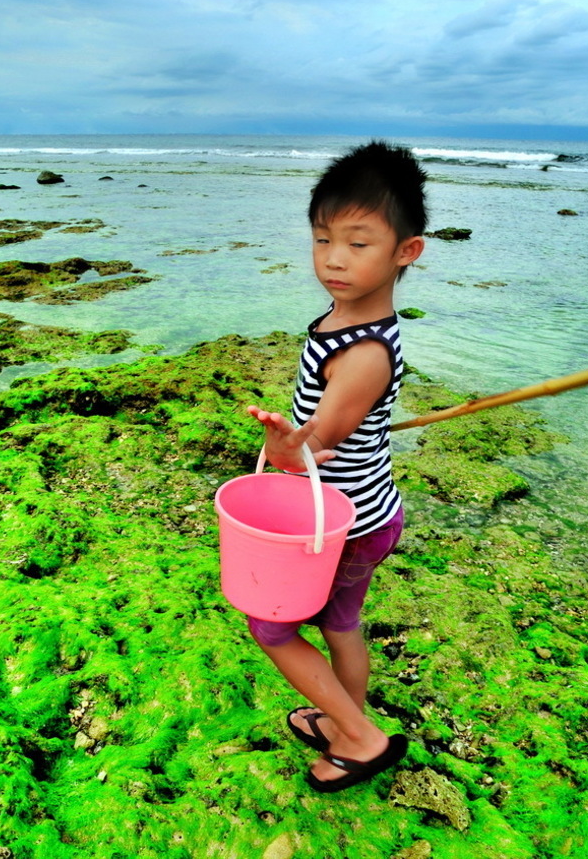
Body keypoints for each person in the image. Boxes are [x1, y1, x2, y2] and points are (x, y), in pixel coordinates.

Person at [244, 140, 426, 793]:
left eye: (358, 243)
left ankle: (361, 737)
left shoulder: (366, 354)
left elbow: (319, 443)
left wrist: (286, 445)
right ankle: (341, 718)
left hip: (342, 523)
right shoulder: (343, 319)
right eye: (323, 240)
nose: (334, 260)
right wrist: (303, 442)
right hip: (364, 509)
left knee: (270, 625)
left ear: (407, 251)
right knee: (340, 624)